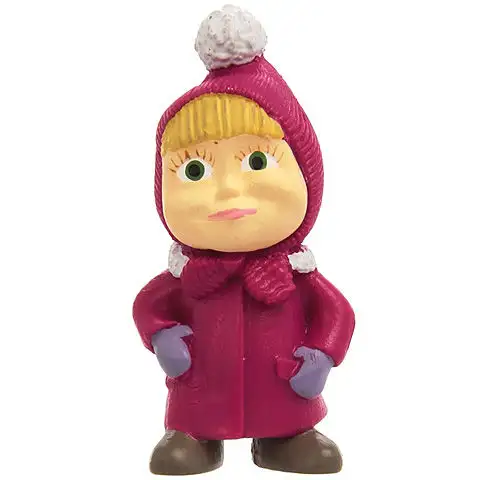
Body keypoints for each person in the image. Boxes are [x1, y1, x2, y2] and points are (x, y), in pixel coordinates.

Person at [133, 5, 355, 475]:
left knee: (286, 415)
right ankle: (195, 438)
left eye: (257, 162)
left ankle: (285, 437)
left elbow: (336, 312)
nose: (228, 191)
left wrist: (322, 354)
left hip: (283, 389)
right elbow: (149, 304)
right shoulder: (188, 275)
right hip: (201, 390)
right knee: (194, 419)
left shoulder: (295, 272)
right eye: (195, 170)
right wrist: (161, 333)